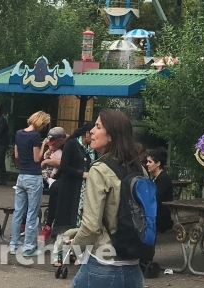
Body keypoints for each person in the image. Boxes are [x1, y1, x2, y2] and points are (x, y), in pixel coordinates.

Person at [63, 110, 147, 288]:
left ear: (111, 136)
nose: (91, 131)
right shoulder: (140, 170)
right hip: (134, 267)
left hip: (102, 266)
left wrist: (73, 247)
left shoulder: (99, 169)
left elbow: (91, 227)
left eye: (98, 126)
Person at [51, 122, 93, 267]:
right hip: (70, 189)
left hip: (85, 191)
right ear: (87, 133)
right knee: (65, 222)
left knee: (80, 223)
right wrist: (81, 174)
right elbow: (64, 166)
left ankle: (74, 253)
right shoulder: (71, 144)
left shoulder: (92, 149)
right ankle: (57, 254)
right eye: (92, 134)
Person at [10, 110, 50, 257]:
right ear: (41, 123)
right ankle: (28, 247)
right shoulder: (35, 136)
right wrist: (44, 145)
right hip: (33, 176)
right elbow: (37, 158)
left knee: (18, 212)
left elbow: (16, 155)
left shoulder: (19, 133)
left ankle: (14, 244)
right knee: (32, 213)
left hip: (21, 176)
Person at [40, 127, 67, 240]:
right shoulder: (54, 148)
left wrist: (46, 161)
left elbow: (62, 162)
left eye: (54, 142)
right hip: (53, 178)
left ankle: (50, 225)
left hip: (63, 177)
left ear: (61, 140)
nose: (52, 145)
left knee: (56, 190)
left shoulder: (68, 146)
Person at [146, 147, 173, 234]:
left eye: (150, 162)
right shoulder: (156, 178)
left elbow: (156, 199)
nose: (147, 164)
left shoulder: (163, 178)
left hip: (161, 220)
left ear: (158, 163)